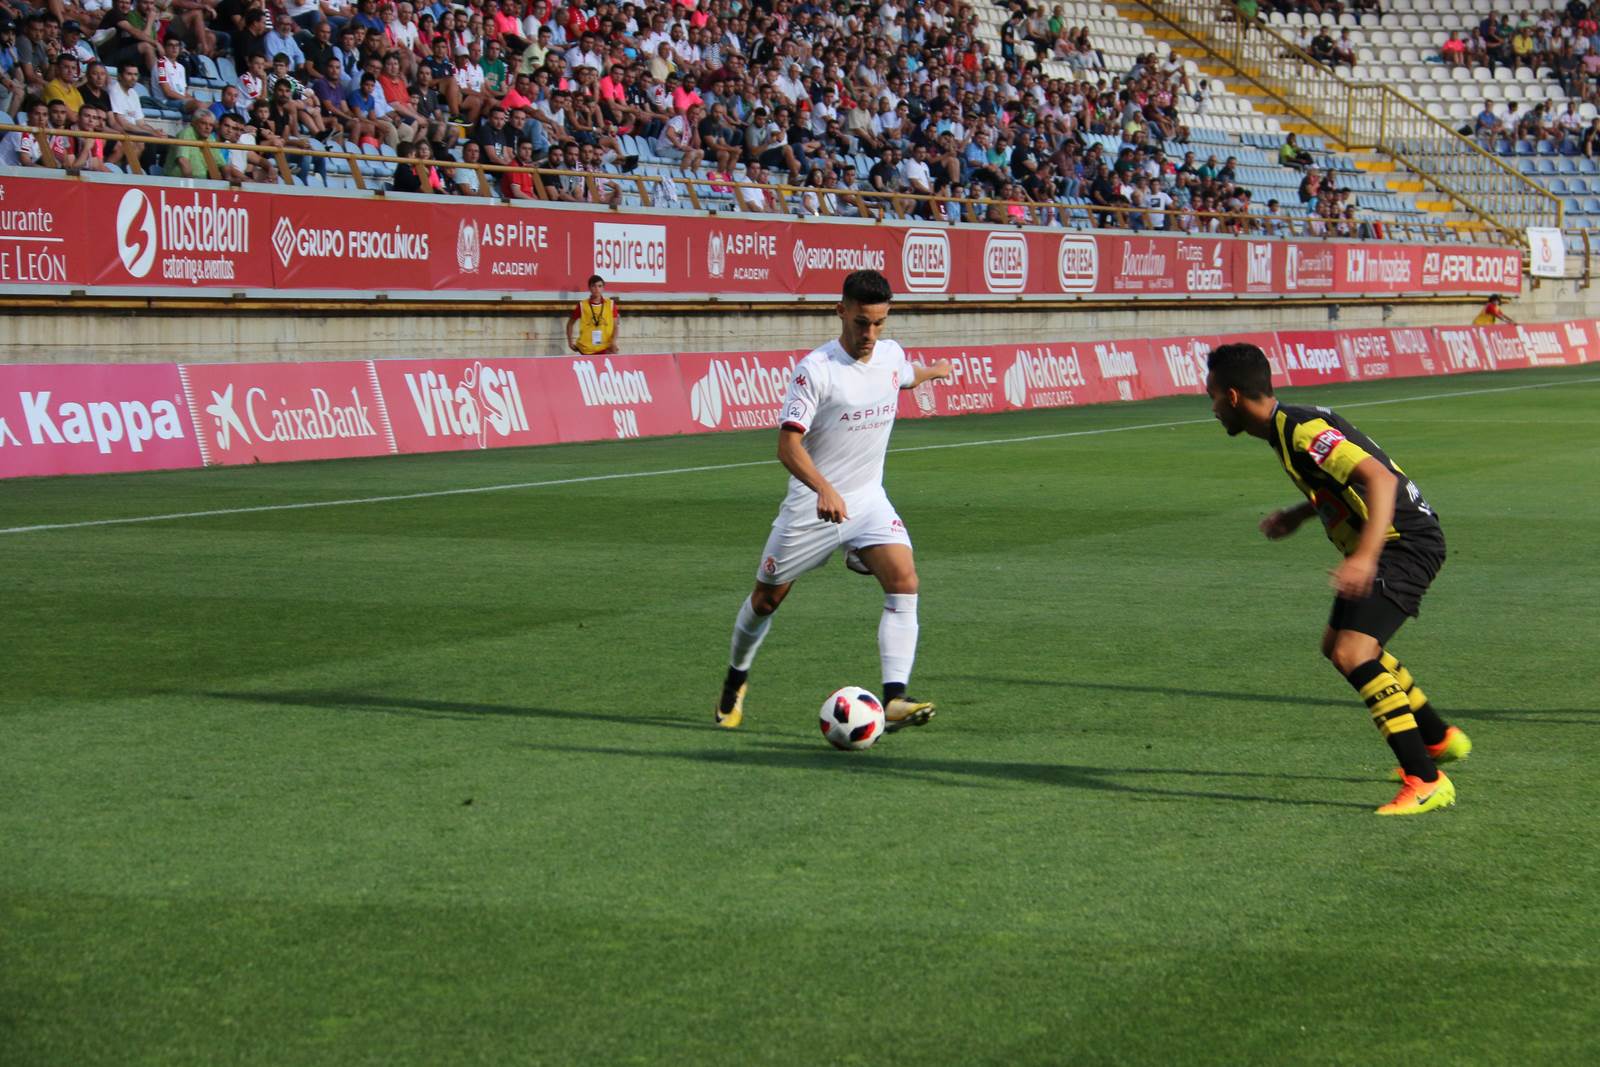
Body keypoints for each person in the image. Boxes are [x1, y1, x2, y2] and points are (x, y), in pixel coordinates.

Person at [1203, 343, 1470, 816]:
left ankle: (1427, 781)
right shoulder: (1288, 429)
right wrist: (1301, 514)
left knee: (1354, 652)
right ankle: (1437, 737)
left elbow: (1380, 480)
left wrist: (1365, 558)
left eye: (1213, 398)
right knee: (1338, 646)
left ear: (1233, 396)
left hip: (1401, 544)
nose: (1213, 408)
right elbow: (1342, 481)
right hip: (1392, 542)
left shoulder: (1301, 431)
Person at [713, 269, 953, 733]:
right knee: (766, 600)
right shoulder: (816, 371)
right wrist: (822, 487)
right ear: (841, 311)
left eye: (880, 323)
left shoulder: (889, 355)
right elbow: (787, 446)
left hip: (868, 500)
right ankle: (735, 679)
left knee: (905, 579)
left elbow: (903, 376)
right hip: (812, 508)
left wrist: (934, 372)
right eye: (862, 322)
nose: (870, 334)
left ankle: (896, 697)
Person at [566, 274, 618, 355]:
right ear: (589, 288)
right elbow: (570, 324)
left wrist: (613, 342)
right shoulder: (582, 305)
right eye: (594, 286)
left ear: (603, 288)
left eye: (599, 286)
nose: (597, 289)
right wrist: (570, 342)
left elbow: (615, 326)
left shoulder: (610, 304)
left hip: (605, 348)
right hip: (586, 349)